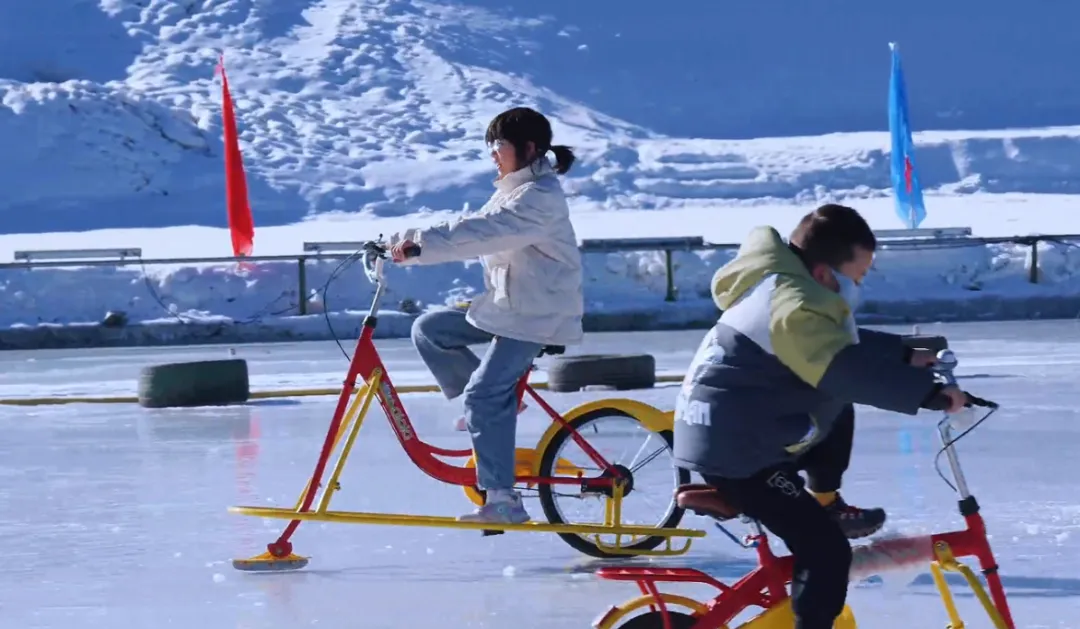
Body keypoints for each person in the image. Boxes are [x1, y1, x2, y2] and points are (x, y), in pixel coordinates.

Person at [672, 203, 970, 629]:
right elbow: (843, 369)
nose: (858, 287)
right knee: (827, 551)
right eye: (857, 277)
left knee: (834, 402)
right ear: (823, 273)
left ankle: (827, 501)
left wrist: (904, 353)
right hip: (738, 452)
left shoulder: (785, 287)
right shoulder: (793, 305)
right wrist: (930, 395)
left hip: (733, 431)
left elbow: (837, 342)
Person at [386, 106, 584, 525]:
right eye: (490, 146)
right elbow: (473, 223)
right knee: (430, 330)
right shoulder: (513, 190)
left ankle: (504, 500)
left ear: (528, 147)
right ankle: (500, 406)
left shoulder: (539, 197)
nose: (493, 154)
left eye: (499, 145)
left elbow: (484, 233)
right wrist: (403, 239)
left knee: (482, 396)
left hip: (537, 314)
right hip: (510, 304)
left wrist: (421, 246)